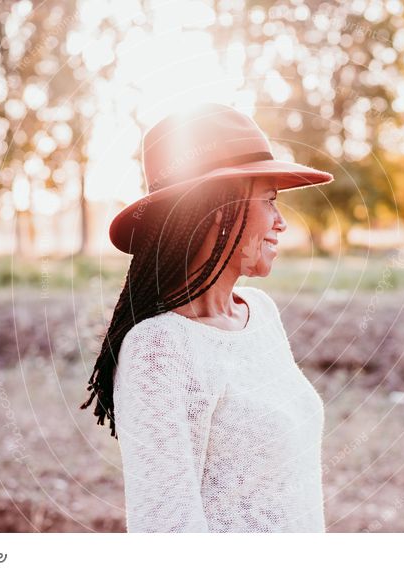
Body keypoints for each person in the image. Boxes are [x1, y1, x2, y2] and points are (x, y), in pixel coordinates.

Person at [80, 103, 334, 532]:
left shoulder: (261, 316)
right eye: (270, 201)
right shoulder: (159, 350)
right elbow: (167, 534)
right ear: (218, 211)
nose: (281, 222)